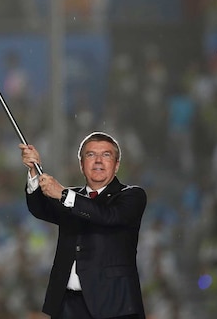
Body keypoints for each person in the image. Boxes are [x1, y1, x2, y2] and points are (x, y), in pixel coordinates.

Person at [20, 132, 146, 319]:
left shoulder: (132, 196)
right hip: (68, 306)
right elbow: (40, 208)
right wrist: (33, 171)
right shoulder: (71, 196)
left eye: (106, 155)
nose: (98, 161)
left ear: (117, 164)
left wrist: (63, 194)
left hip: (115, 305)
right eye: (90, 155)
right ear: (81, 164)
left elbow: (108, 216)